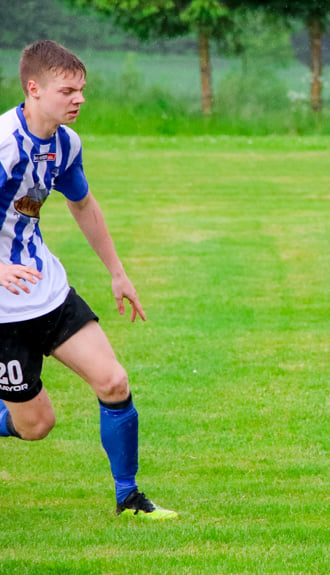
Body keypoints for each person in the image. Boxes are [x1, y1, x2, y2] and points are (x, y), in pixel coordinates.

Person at [0, 40, 177, 519]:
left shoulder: (64, 144)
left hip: (47, 291)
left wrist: (118, 273)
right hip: (2, 312)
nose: (78, 99)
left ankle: (129, 497)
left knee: (114, 382)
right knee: (37, 426)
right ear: (33, 89)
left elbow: (83, 205)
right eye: (67, 90)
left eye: (82, 90)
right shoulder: (3, 145)